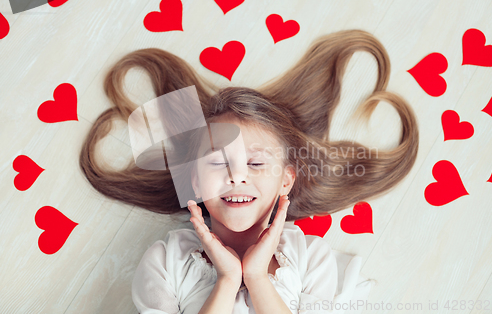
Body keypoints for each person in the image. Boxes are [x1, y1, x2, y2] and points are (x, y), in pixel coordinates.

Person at [79, 29, 419, 313]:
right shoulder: (165, 262)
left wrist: (256, 277)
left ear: (285, 180)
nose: (236, 176)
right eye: (216, 161)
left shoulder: (309, 257)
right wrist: (227, 280)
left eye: (256, 163)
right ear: (194, 181)